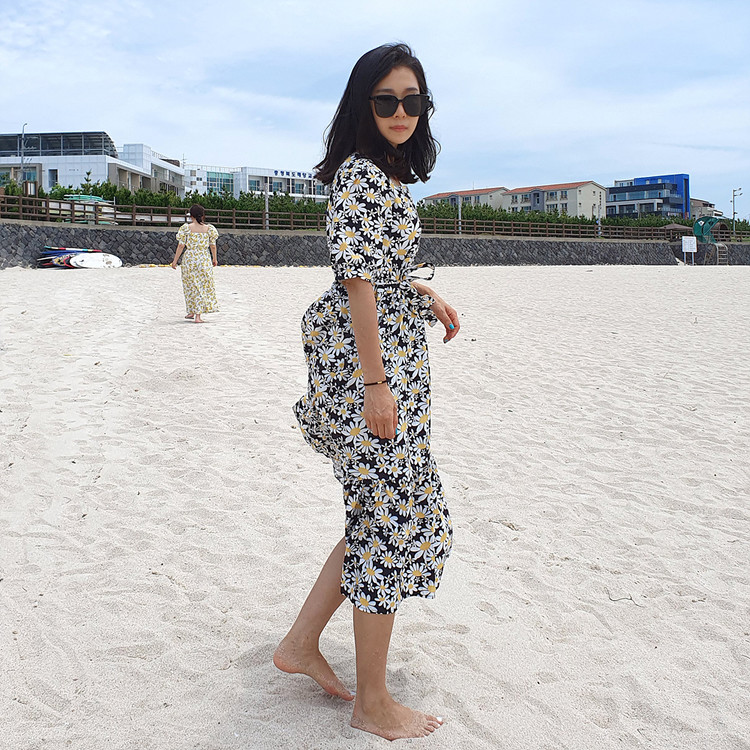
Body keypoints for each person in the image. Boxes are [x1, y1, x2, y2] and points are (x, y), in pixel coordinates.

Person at [274, 43, 460, 741]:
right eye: (386, 100)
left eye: (413, 100)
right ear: (363, 105)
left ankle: (300, 644)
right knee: (385, 520)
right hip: (369, 370)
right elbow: (356, 281)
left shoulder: (386, 175)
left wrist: (422, 293)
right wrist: (377, 385)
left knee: (375, 513)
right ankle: (372, 702)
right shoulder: (360, 176)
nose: (401, 111)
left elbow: (380, 271)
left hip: (388, 356)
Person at [171, 204, 219, 323]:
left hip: (190, 259)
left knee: (190, 286)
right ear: (202, 215)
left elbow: (181, 245)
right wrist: (214, 259)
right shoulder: (209, 229)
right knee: (202, 285)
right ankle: (197, 314)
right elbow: (213, 245)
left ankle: (193, 312)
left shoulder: (186, 228)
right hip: (204, 259)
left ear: (191, 215)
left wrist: (175, 261)